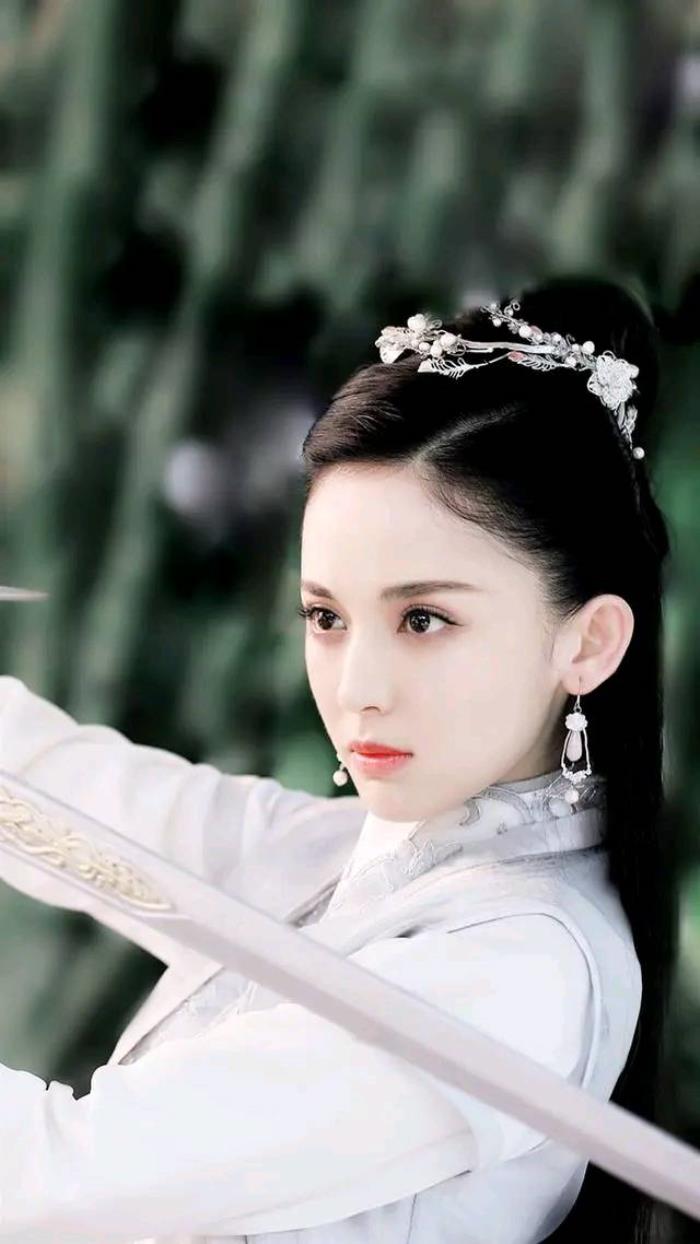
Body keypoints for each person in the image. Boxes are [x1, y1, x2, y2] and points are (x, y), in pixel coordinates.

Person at [0, 274, 678, 1243]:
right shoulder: (355, 849)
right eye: (325, 616)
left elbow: (58, 1174)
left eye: (423, 619)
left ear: (589, 642)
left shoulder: (518, 970)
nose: (358, 686)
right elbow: (49, 785)